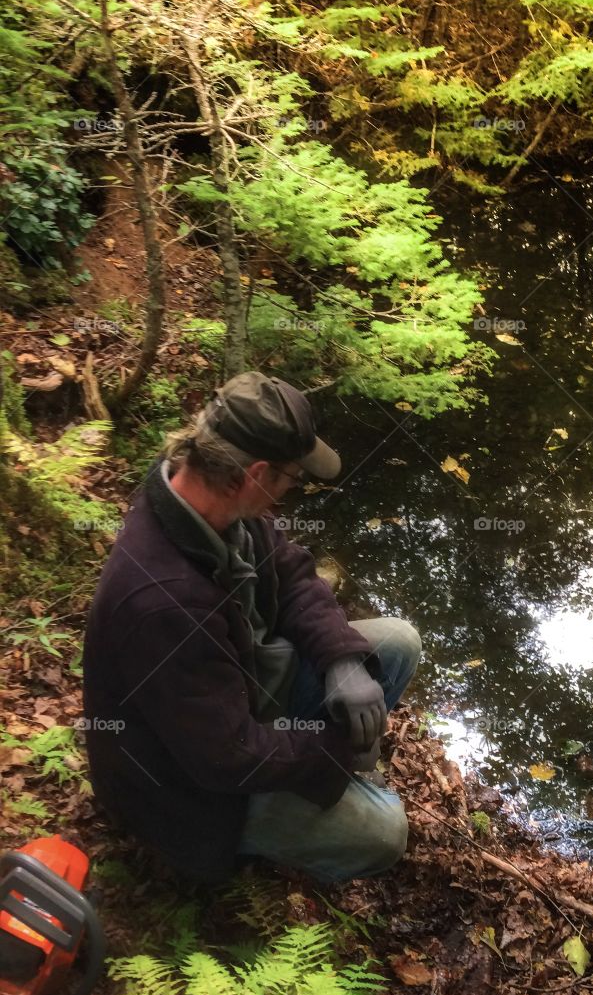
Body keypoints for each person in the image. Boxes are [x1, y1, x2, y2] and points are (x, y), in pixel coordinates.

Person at [81, 371, 420, 885]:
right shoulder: (163, 605)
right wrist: (339, 749)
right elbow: (227, 757)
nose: (288, 493)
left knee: (396, 642)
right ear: (256, 473)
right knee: (385, 834)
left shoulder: (207, 494)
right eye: (290, 478)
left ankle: (332, 778)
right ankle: (270, 834)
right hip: (191, 791)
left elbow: (291, 573)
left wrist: (342, 660)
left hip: (235, 695)